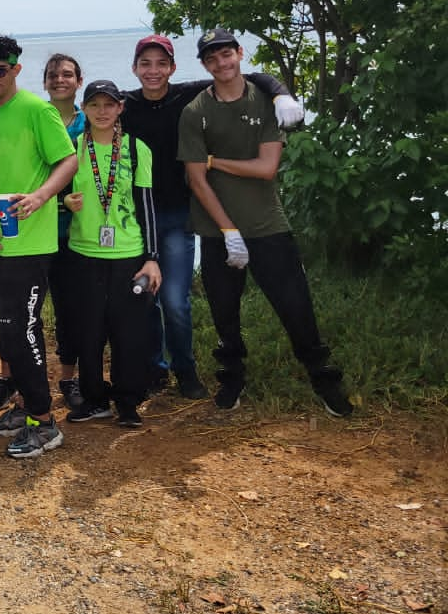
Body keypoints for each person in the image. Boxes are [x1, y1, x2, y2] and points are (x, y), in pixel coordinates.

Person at [178, 28, 353, 417]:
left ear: (240, 54)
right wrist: (227, 230)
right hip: (216, 230)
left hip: (268, 225)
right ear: (204, 65)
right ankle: (232, 378)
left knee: (295, 307)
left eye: (226, 54)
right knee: (224, 313)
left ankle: (324, 379)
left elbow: (267, 168)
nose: (221, 63)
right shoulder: (195, 112)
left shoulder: (266, 101)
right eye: (212, 58)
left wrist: (215, 159)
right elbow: (195, 179)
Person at [122, 34, 305, 400]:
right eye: (145, 64)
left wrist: (282, 93)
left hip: (177, 215)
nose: (153, 71)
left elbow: (250, 78)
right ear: (135, 68)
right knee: (142, 299)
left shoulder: (188, 95)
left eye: (161, 64)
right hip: (136, 217)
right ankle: (154, 368)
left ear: (173, 68)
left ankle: (185, 370)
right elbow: (89, 119)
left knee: (174, 300)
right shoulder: (124, 105)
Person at [0, 30, 78, 460]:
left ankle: (45, 422)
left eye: (0, 70)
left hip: (32, 245)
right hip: (0, 243)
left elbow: (68, 159)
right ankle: (24, 408)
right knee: (8, 332)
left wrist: (41, 196)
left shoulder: (37, 109)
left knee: (25, 332)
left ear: (16, 68)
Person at [63, 80, 161, 428]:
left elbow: (146, 204)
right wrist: (65, 201)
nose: (102, 111)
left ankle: (128, 401)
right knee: (88, 332)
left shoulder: (137, 149)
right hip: (83, 254)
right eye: (94, 105)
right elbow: (58, 193)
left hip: (129, 254)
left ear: (120, 107)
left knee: (129, 333)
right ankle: (93, 399)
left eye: (109, 104)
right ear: (84, 110)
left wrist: (152, 257)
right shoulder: (72, 148)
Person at [42, 53, 87, 410]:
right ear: (44, 81)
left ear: (79, 80)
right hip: (36, 228)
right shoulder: (35, 117)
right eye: (54, 75)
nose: (60, 79)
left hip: (79, 232)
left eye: (67, 74)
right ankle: (15, 378)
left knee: (71, 309)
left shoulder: (91, 122)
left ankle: (69, 379)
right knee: (20, 310)